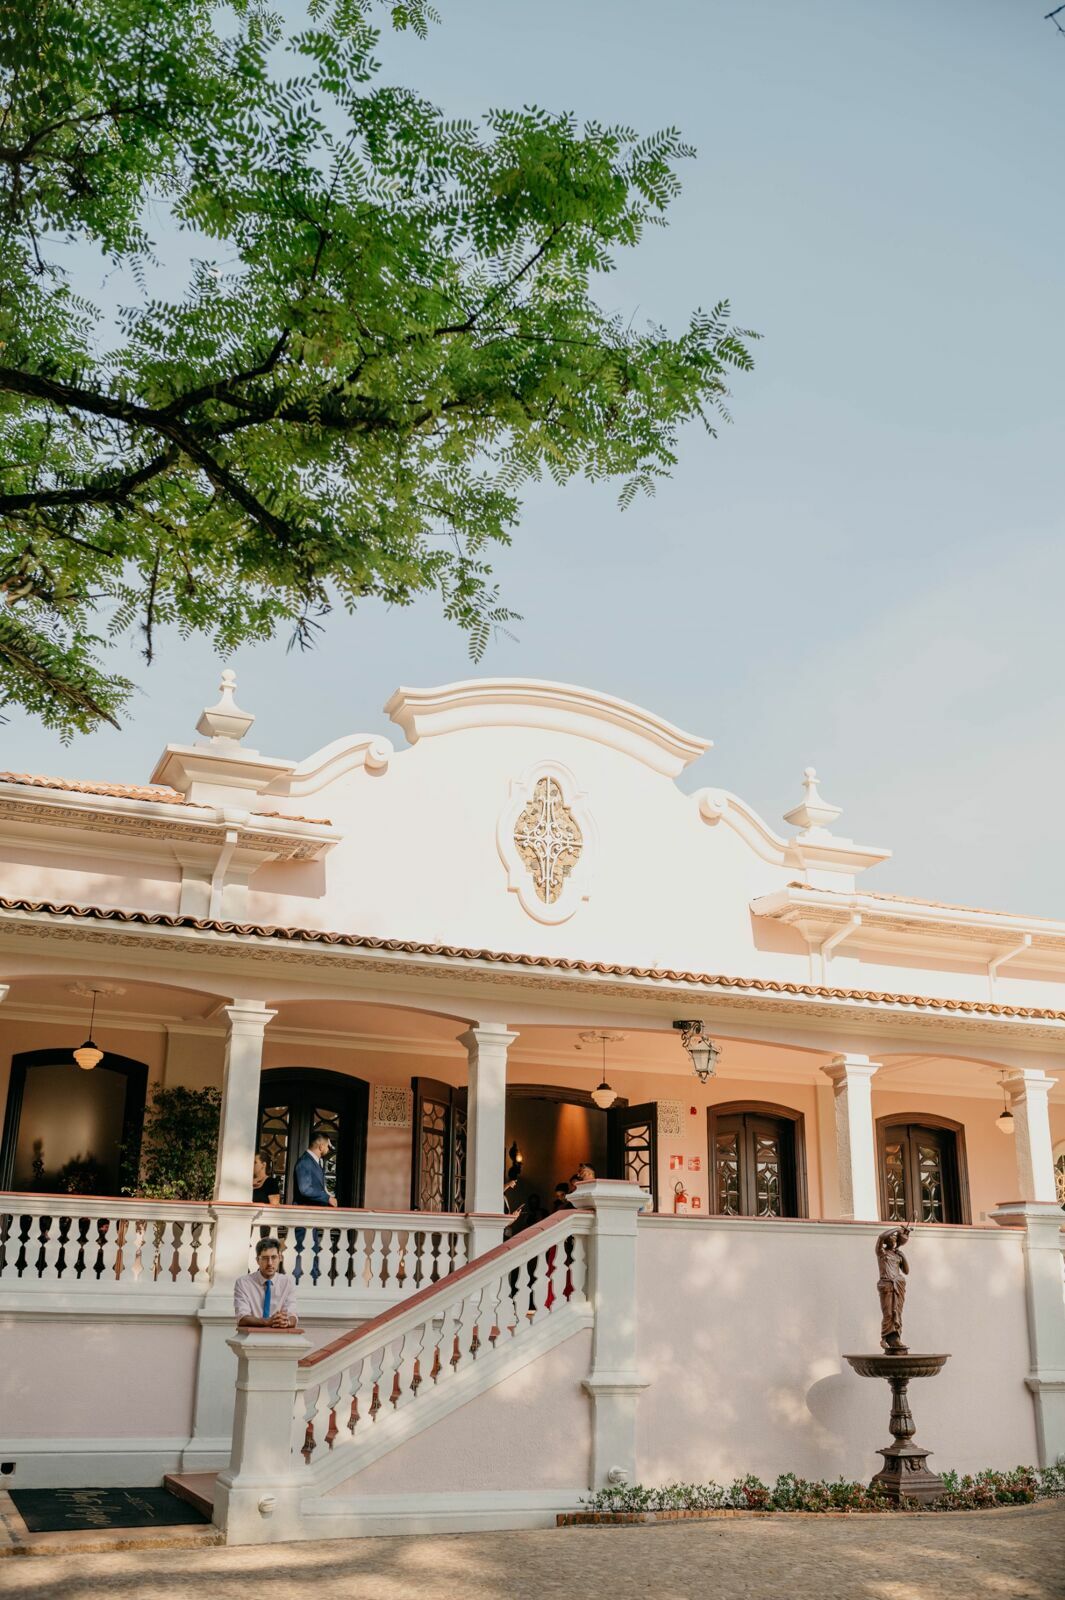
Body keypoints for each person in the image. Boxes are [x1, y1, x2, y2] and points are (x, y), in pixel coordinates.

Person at [234, 1237, 298, 1330]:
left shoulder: (287, 1283)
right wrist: (267, 1322)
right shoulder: (243, 1283)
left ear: (280, 1258)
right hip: (252, 1335)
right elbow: (242, 1318)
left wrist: (286, 1322)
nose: (270, 1263)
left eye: (274, 1257)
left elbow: (292, 1315)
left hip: (279, 1335)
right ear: (257, 1260)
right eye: (265, 1258)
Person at [876, 1224, 911, 1353]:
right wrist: (897, 1229)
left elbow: (906, 1271)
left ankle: (896, 1339)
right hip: (887, 1285)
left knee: (898, 1312)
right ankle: (885, 1338)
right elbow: (881, 1237)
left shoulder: (897, 1255)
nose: (894, 1238)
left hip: (898, 1285)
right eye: (892, 1237)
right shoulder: (881, 1252)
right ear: (887, 1241)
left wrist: (903, 1256)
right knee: (889, 1313)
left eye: (895, 1237)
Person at [294, 1130, 338, 1207]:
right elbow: (305, 1190)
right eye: (327, 1146)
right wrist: (328, 1198)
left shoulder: (314, 1161)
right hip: (306, 1211)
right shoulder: (305, 1161)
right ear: (321, 1147)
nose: (328, 1149)